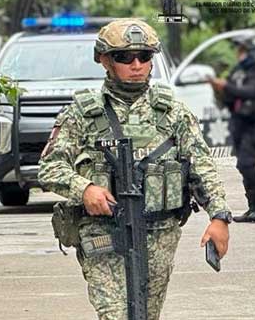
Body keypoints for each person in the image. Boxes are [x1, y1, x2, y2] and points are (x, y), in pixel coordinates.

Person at [38, 19, 231, 320]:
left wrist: (219, 217)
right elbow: (49, 167)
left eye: (144, 56)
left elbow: (202, 169)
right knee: (116, 315)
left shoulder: (173, 114)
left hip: (159, 234)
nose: (136, 64)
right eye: (124, 57)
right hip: (103, 232)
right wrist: (84, 188)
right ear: (104, 60)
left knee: (145, 315)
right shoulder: (82, 114)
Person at [210, 36, 255, 223]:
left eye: (243, 51)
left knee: (247, 163)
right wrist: (219, 91)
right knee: (242, 164)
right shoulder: (238, 72)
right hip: (239, 122)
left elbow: (252, 92)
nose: (239, 55)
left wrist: (227, 86)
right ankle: (253, 207)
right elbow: (230, 98)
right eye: (238, 51)